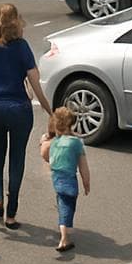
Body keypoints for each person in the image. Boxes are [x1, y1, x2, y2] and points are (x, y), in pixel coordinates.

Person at [0, 3, 53, 230]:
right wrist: (49, 110)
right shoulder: (22, 47)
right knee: (17, 159)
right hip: (19, 109)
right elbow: (35, 82)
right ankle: (11, 213)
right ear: (17, 22)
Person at [39, 107, 91, 252]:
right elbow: (83, 167)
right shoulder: (76, 143)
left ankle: (65, 229)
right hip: (70, 179)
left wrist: (43, 142)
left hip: (56, 178)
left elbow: (45, 155)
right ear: (71, 124)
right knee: (68, 205)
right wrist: (86, 183)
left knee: (63, 202)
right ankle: (64, 237)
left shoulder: (53, 142)